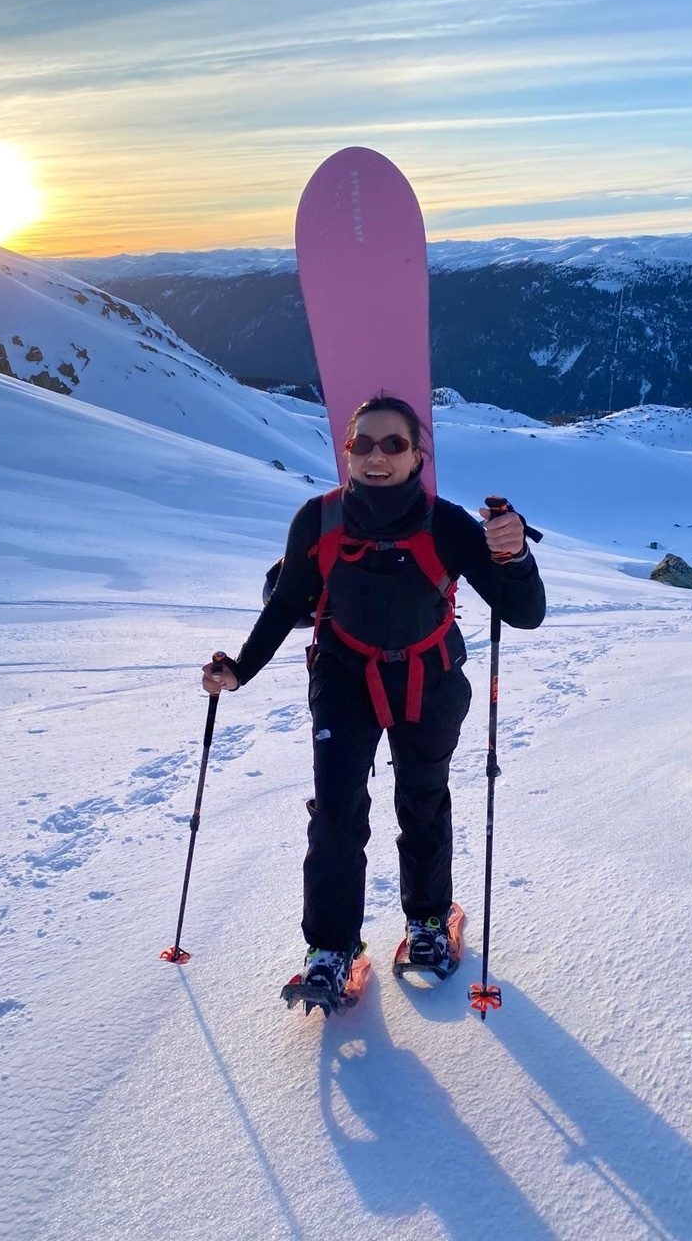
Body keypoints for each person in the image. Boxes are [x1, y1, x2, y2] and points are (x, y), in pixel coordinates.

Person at [200, 395, 546, 1006]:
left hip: (429, 678)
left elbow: (523, 613)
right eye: (363, 444)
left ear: (418, 455)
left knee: (422, 798)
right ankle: (331, 949)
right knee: (336, 811)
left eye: (394, 444)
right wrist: (240, 671)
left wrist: (514, 555)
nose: (377, 456)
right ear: (347, 451)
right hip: (343, 676)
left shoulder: (448, 523)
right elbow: (286, 604)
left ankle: (429, 921)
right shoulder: (318, 519)